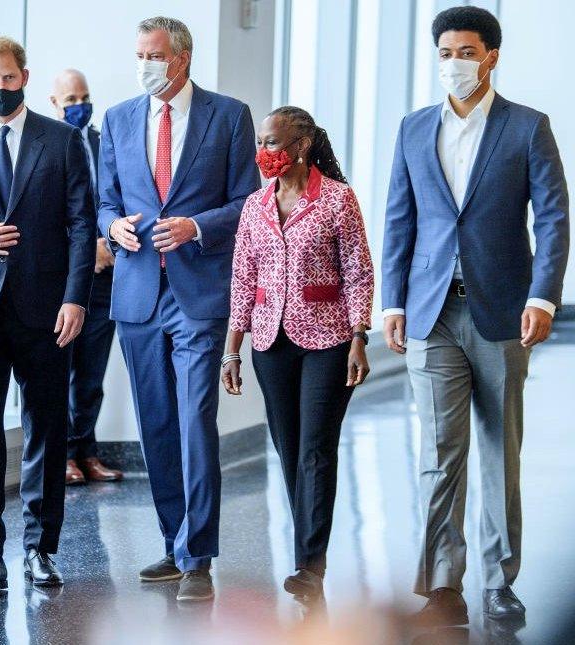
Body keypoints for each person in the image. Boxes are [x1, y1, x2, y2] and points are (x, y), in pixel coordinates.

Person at [381, 6, 569, 626]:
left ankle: (499, 579)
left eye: (465, 52)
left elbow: (552, 218)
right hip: (432, 311)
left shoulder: (527, 128)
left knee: (497, 450)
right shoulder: (413, 129)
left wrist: (543, 297)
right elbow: (399, 220)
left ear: (490, 56)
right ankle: (442, 584)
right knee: (438, 452)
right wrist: (394, 301)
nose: (453, 63)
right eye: (444, 53)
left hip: (503, 312)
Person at [98, 16, 258, 601]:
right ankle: (173, 542)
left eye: (155, 55)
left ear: (182, 59)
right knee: (157, 424)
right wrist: (111, 226)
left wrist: (196, 226)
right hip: (138, 293)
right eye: (139, 53)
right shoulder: (117, 119)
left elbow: (249, 202)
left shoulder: (228, 115)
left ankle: (198, 557)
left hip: (199, 293)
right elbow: (105, 200)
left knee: (194, 419)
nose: (145, 64)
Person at [0, 37, 95, 590]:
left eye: (9, 78)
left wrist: (77, 297)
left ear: (24, 76)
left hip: (49, 310)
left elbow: (82, 224)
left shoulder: (64, 141)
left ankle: (41, 548)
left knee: (46, 430)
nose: (0, 88)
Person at [223, 107, 374, 599]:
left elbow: (358, 271)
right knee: (290, 450)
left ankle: (311, 565)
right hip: (271, 342)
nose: (264, 152)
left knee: (315, 450)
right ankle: (305, 552)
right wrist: (232, 351)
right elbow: (243, 278)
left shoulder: (337, 199)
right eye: (261, 143)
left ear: (301, 144)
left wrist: (358, 336)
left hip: (328, 341)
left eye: (273, 142)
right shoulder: (255, 205)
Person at [49, 68, 123, 485]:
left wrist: (107, 246)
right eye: (71, 99)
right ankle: (62, 456)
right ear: (54, 103)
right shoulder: (47, 146)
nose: (79, 105)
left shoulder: (103, 143)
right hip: (62, 282)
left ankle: (86, 452)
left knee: (92, 376)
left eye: (85, 96)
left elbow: (119, 200)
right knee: (60, 373)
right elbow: (41, 216)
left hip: (106, 279)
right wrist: (82, 252)